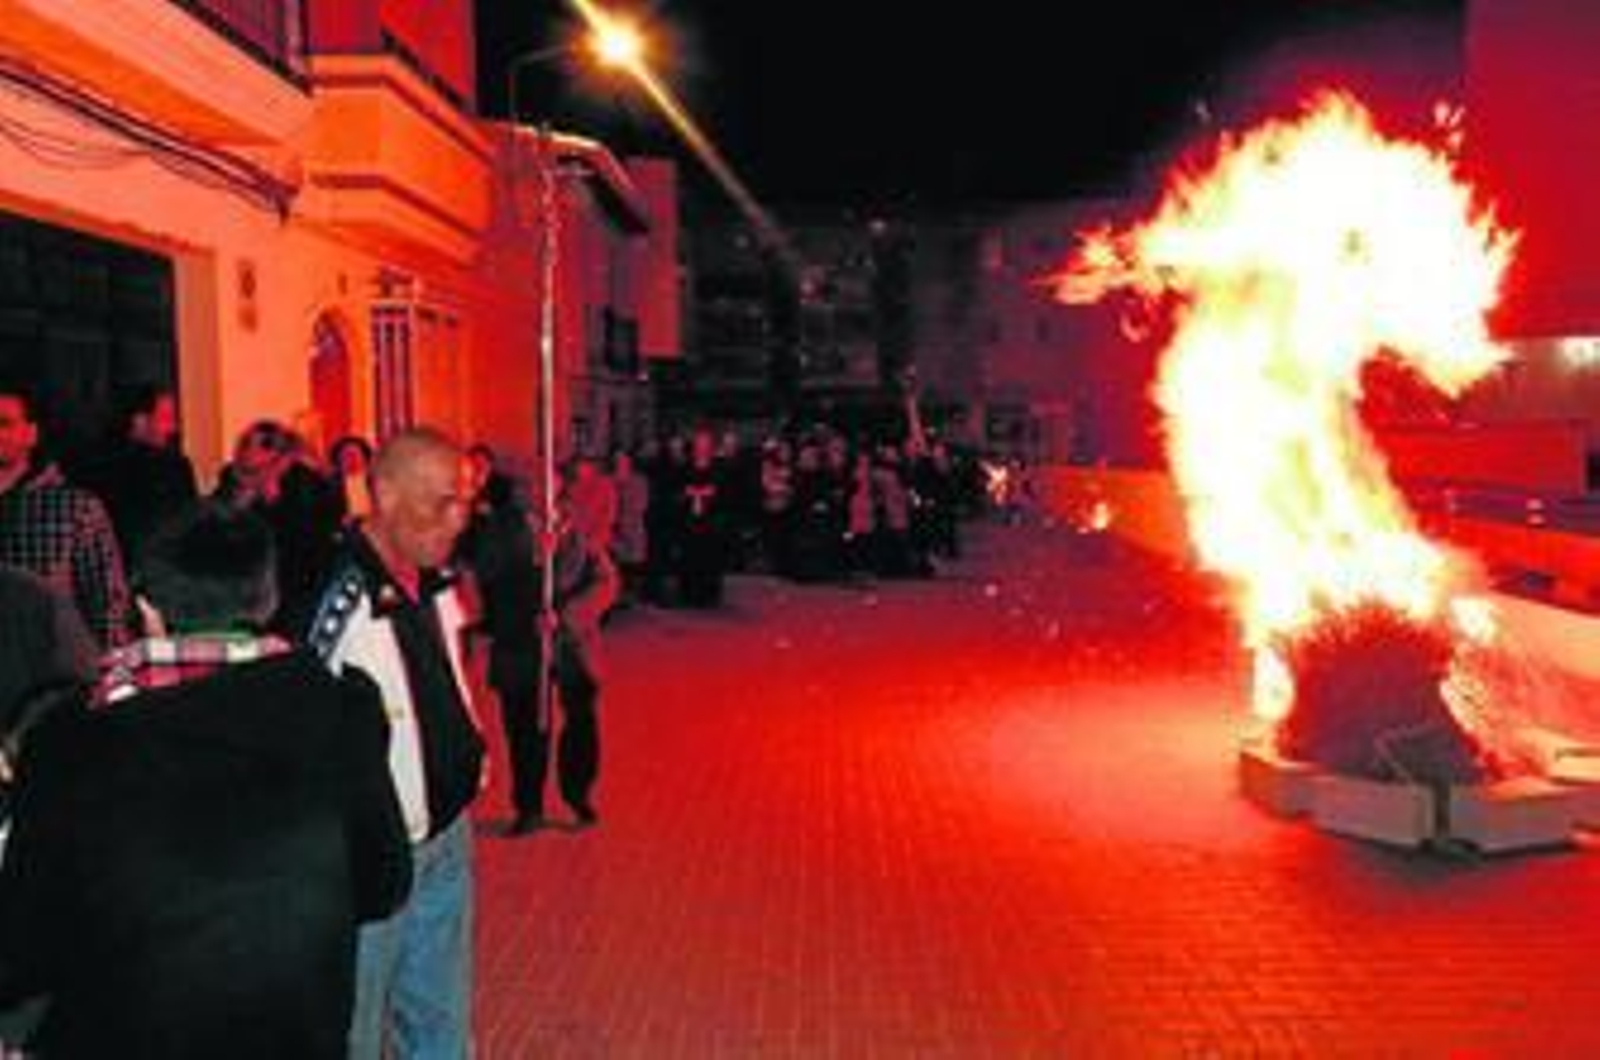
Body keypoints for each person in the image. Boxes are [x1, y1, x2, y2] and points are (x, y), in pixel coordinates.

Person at [0, 503, 411, 1059]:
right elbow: (383, 885)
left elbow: (26, 944)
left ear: (145, 607)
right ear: (266, 599)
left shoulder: (70, 740)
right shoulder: (343, 713)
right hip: (296, 1036)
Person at [307, 427, 484, 1060]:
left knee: (440, 1020)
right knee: (356, 1026)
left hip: (447, 835)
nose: (459, 519)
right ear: (382, 494)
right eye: (443, 502)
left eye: (466, 500)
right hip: (375, 856)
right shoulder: (338, 599)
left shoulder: (433, 576)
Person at [0, 378, 131, 649]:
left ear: (31, 433)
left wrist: (104, 670)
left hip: (51, 671)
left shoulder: (75, 508)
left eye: (3, 424)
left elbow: (108, 601)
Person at [79, 385, 198, 567]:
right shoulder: (171, 467)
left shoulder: (92, 464)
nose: (174, 428)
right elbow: (186, 527)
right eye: (166, 419)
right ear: (140, 421)